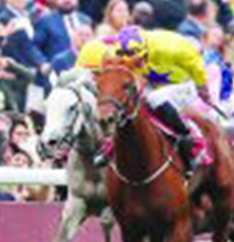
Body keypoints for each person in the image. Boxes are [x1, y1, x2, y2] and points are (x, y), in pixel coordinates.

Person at [76, 26, 213, 171]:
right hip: (154, 82)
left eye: (133, 54)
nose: (128, 58)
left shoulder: (169, 47)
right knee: (132, 102)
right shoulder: (117, 52)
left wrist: (202, 87)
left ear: (144, 47)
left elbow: (195, 62)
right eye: (124, 54)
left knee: (156, 98)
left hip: (185, 81)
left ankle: (192, 138)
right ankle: (111, 146)